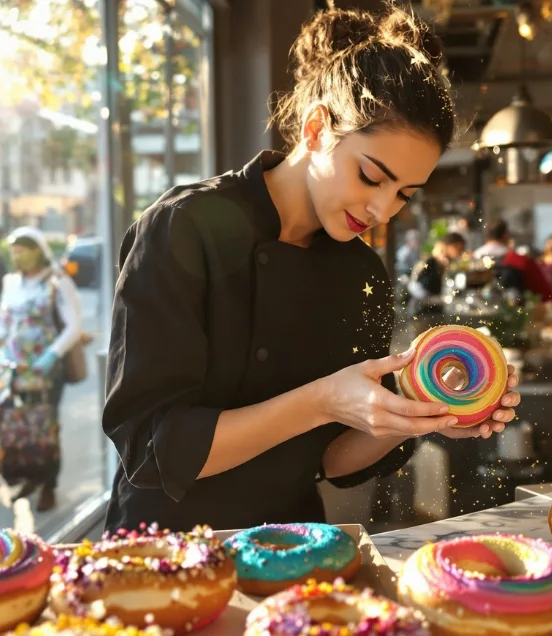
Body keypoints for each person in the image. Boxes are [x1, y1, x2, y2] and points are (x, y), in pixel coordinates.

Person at [102, 6, 520, 533]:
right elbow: (151, 448)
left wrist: (420, 413)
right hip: (165, 545)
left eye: (403, 195)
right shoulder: (185, 227)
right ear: (317, 127)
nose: (381, 211)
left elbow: (332, 462)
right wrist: (323, 401)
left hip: (293, 543)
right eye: (371, 176)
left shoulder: (361, 272)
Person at [0, 226, 83, 512]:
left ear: (38, 251)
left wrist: (51, 355)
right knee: (21, 425)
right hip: (16, 368)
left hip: (46, 370)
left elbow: (74, 326)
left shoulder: (58, 282)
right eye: (14, 252)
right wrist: (3, 350)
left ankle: (49, 485)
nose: (18, 257)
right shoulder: (11, 283)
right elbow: (4, 323)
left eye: (23, 251)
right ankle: (29, 478)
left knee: (45, 426)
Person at [409, 231, 465, 303]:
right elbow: (416, 286)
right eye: (459, 249)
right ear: (451, 246)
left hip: (434, 305)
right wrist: (434, 299)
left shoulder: (444, 263)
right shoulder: (431, 262)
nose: (461, 252)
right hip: (423, 307)